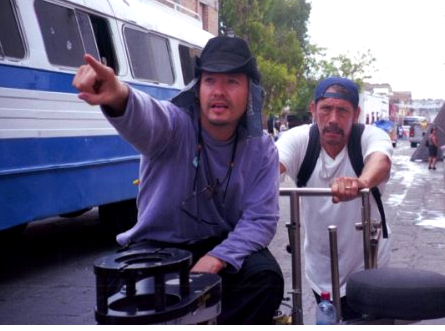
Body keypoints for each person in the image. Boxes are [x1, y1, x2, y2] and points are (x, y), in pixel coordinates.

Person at [72, 35, 284, 324]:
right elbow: (145, 115)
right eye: (210, 81)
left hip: (221, 245)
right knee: (123, 292)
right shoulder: (173, 124)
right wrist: (117, 95)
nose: (219, 91)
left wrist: (218, 257)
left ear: (251, 91)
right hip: (156, 245)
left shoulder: (261, 149)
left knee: (265, 279)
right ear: (198, 89)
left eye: (232, 81)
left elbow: (261, 219)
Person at [276, 77, 393, 321]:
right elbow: (272, 164)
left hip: (368, 266)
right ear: (313, 109)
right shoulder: (300, 140)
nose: (332, 119)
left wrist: (359, 183)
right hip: (320, 269)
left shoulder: (368, 136)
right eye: (326, 109)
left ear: (356, 114)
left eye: (342, 111)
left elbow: (380, 160)